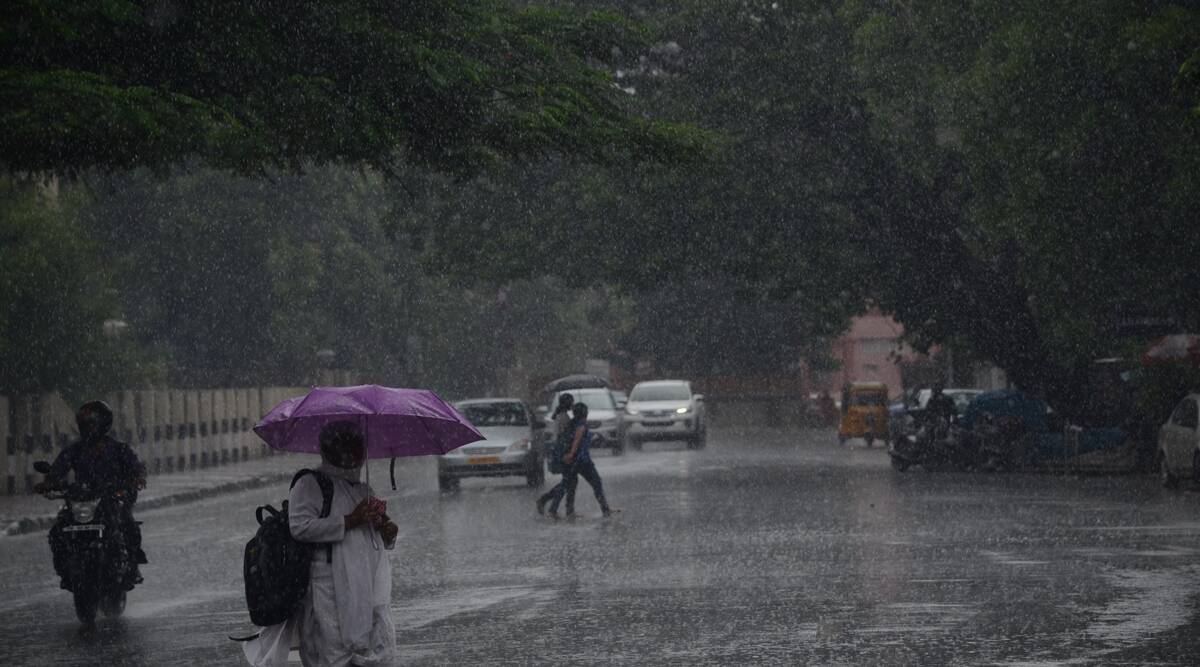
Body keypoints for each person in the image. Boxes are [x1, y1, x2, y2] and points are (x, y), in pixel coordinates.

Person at [243, 421, 398, 667]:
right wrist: (350, 520)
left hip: (361, 587)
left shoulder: (362, 489)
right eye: (345, 446)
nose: (353, 454)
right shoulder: (310, 484)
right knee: (329, 653)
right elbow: (301, 527)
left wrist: (387, 532)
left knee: (366, 650)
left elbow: (371, 540)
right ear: (329, 450)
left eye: (358, 447)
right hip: (326, 588)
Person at [36, 400, 147, 590]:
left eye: (93, 423)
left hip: (111, 498)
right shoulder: (74, 450)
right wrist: (48, 483)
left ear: (104, 424)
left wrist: (136, 479)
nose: (89, 428)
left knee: (128, 524)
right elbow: (58, 470)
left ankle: (132, 567)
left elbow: (136, 469)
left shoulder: (118, 449)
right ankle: (65, 571)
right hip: (82, 499)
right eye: (85, 424)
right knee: (58, 531)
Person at [544, 403, 612, 519]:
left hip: (571, 461)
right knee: (596, 483)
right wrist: (572, 453)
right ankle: (604, 509)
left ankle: (560, 509)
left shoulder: (571, 423)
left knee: (567, 484)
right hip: (581, 460)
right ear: (585, 413)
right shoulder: (581, 424)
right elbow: (577, 439)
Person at [535, 394, 575, 516]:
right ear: (567, 403)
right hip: (563, 451)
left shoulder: (561, 415)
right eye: (571, 402)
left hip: (561, 450)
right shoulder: (563, 417)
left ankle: (554, 505)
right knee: (567, 482)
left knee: (568, 481)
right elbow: (564, 436)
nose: (572, 404)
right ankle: (548, 503)